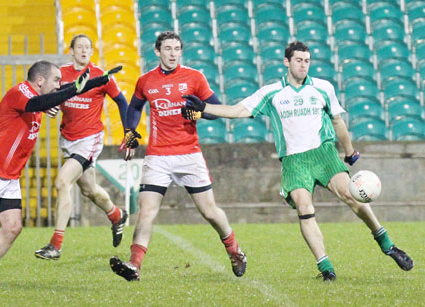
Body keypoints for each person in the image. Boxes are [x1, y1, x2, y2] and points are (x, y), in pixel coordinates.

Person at [182, 41, 414, 281]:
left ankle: (387, 244)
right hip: (294, 160)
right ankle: (326, 269)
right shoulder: (271, 92)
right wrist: (205, 107)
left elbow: (337, 122)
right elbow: (238, 110)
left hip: (323, 154)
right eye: (299, 61)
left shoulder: (323, 88)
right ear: (287, 62)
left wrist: (349, 151)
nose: (304, 65)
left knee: (350, 194)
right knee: (305, 209)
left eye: (307, 61)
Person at [110, 31, 247, 281]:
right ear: (157, 51)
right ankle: (134, 265)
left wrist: (198, 114)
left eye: (177, 49)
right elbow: (134, 108)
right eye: (168, 49)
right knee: (146, 211)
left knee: (209, 211)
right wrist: (130, 133)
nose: (173, 53)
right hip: (158, 156)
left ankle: (234, 250)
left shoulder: (195, 77)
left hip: (189, 154)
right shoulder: (145, 81)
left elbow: (214, 110)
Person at [0, 60, 120, 285]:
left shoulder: (39, 98)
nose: (58, 84)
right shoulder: (22, 91)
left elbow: (54, 95)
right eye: (55, 80)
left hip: (10, 176)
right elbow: (40, 101)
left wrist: (95, 83)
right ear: (40, 80)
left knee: (13, 227)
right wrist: (74, 89)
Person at [35, 34, 130, 260]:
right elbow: (50, 98)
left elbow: (122, 102)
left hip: (90, 139)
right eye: (80, 47)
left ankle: (55, 245)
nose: (84, 51)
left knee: (62, 182)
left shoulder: (100, 75)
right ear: (71, 51)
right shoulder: (61, 74)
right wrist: (50, 107)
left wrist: (128, 132)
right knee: (88, 190)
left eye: (88, 47)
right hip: (68, 139)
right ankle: (117, 215)